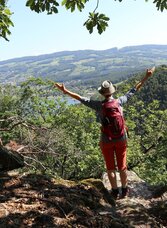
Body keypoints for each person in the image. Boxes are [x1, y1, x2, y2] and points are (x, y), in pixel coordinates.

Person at [54, 68, 155, 199]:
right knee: (122, 167)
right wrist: (146, 76)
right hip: (121, 138)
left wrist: (64, 90)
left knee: (110, 168)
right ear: (112, 91)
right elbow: (134, 89)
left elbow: (79, 98)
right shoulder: (119, 102)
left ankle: (114, 191)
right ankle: (124, 190)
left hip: (106, 139)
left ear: (102, 93)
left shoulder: (98, 105)